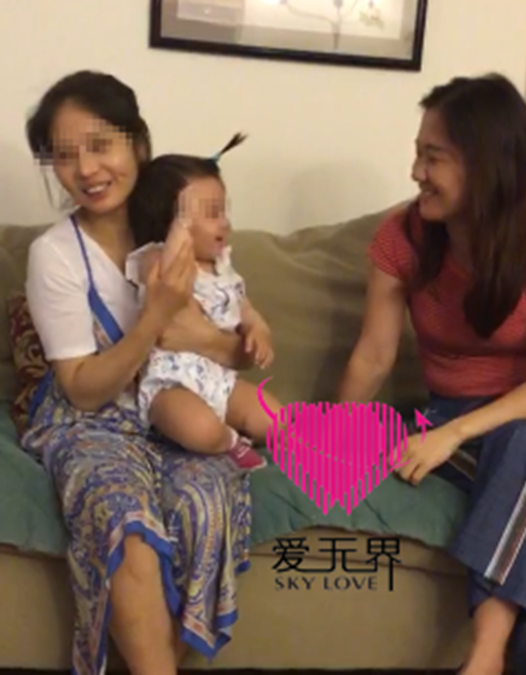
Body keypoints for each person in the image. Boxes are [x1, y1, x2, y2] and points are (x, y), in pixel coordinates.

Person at [336, 73, 526, 675]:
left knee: (525, 444)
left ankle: (484, 656)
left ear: (485, 165)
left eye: (433, 157)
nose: (415, 172)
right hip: (458, 423)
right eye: (417, 154)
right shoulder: (403, 238)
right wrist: (329, 435)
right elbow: (373, 356)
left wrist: (451, 434)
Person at [20, 70, 256, 675]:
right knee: (125, 523)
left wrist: (222, 338)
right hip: (90, 421)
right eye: (64, 156)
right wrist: (154, 320)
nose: (86, 169)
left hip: (176, 410)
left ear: (139, 144)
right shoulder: (55, 255)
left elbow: (230, 345)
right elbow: (81, 388)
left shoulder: (181, 231)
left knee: (205, 503)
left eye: (101, 145)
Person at [124, 142, 282, 471]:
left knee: (274, 419)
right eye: (212, 213)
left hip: (220, 379)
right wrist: (176, 231)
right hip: (171, 385)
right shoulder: (156, 258)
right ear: (170, 223)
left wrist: (257, 328)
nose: (225, 223)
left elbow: (243, 305)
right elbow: (167, 277)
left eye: (224, 211)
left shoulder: (223, 267)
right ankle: (228, 441)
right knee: (201, 429)